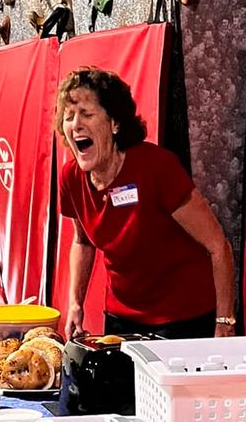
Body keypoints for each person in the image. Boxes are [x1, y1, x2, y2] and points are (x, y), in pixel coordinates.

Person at [56, 66, 236, 339]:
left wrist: (225, 321)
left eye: (87, 114)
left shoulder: (156, 167)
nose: (76, 124)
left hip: (183, 319)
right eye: (69, 117)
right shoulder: (70, 178)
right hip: (121, 319)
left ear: (115, 124)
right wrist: (75, 304)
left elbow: (217, 246)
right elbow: (82, 242)